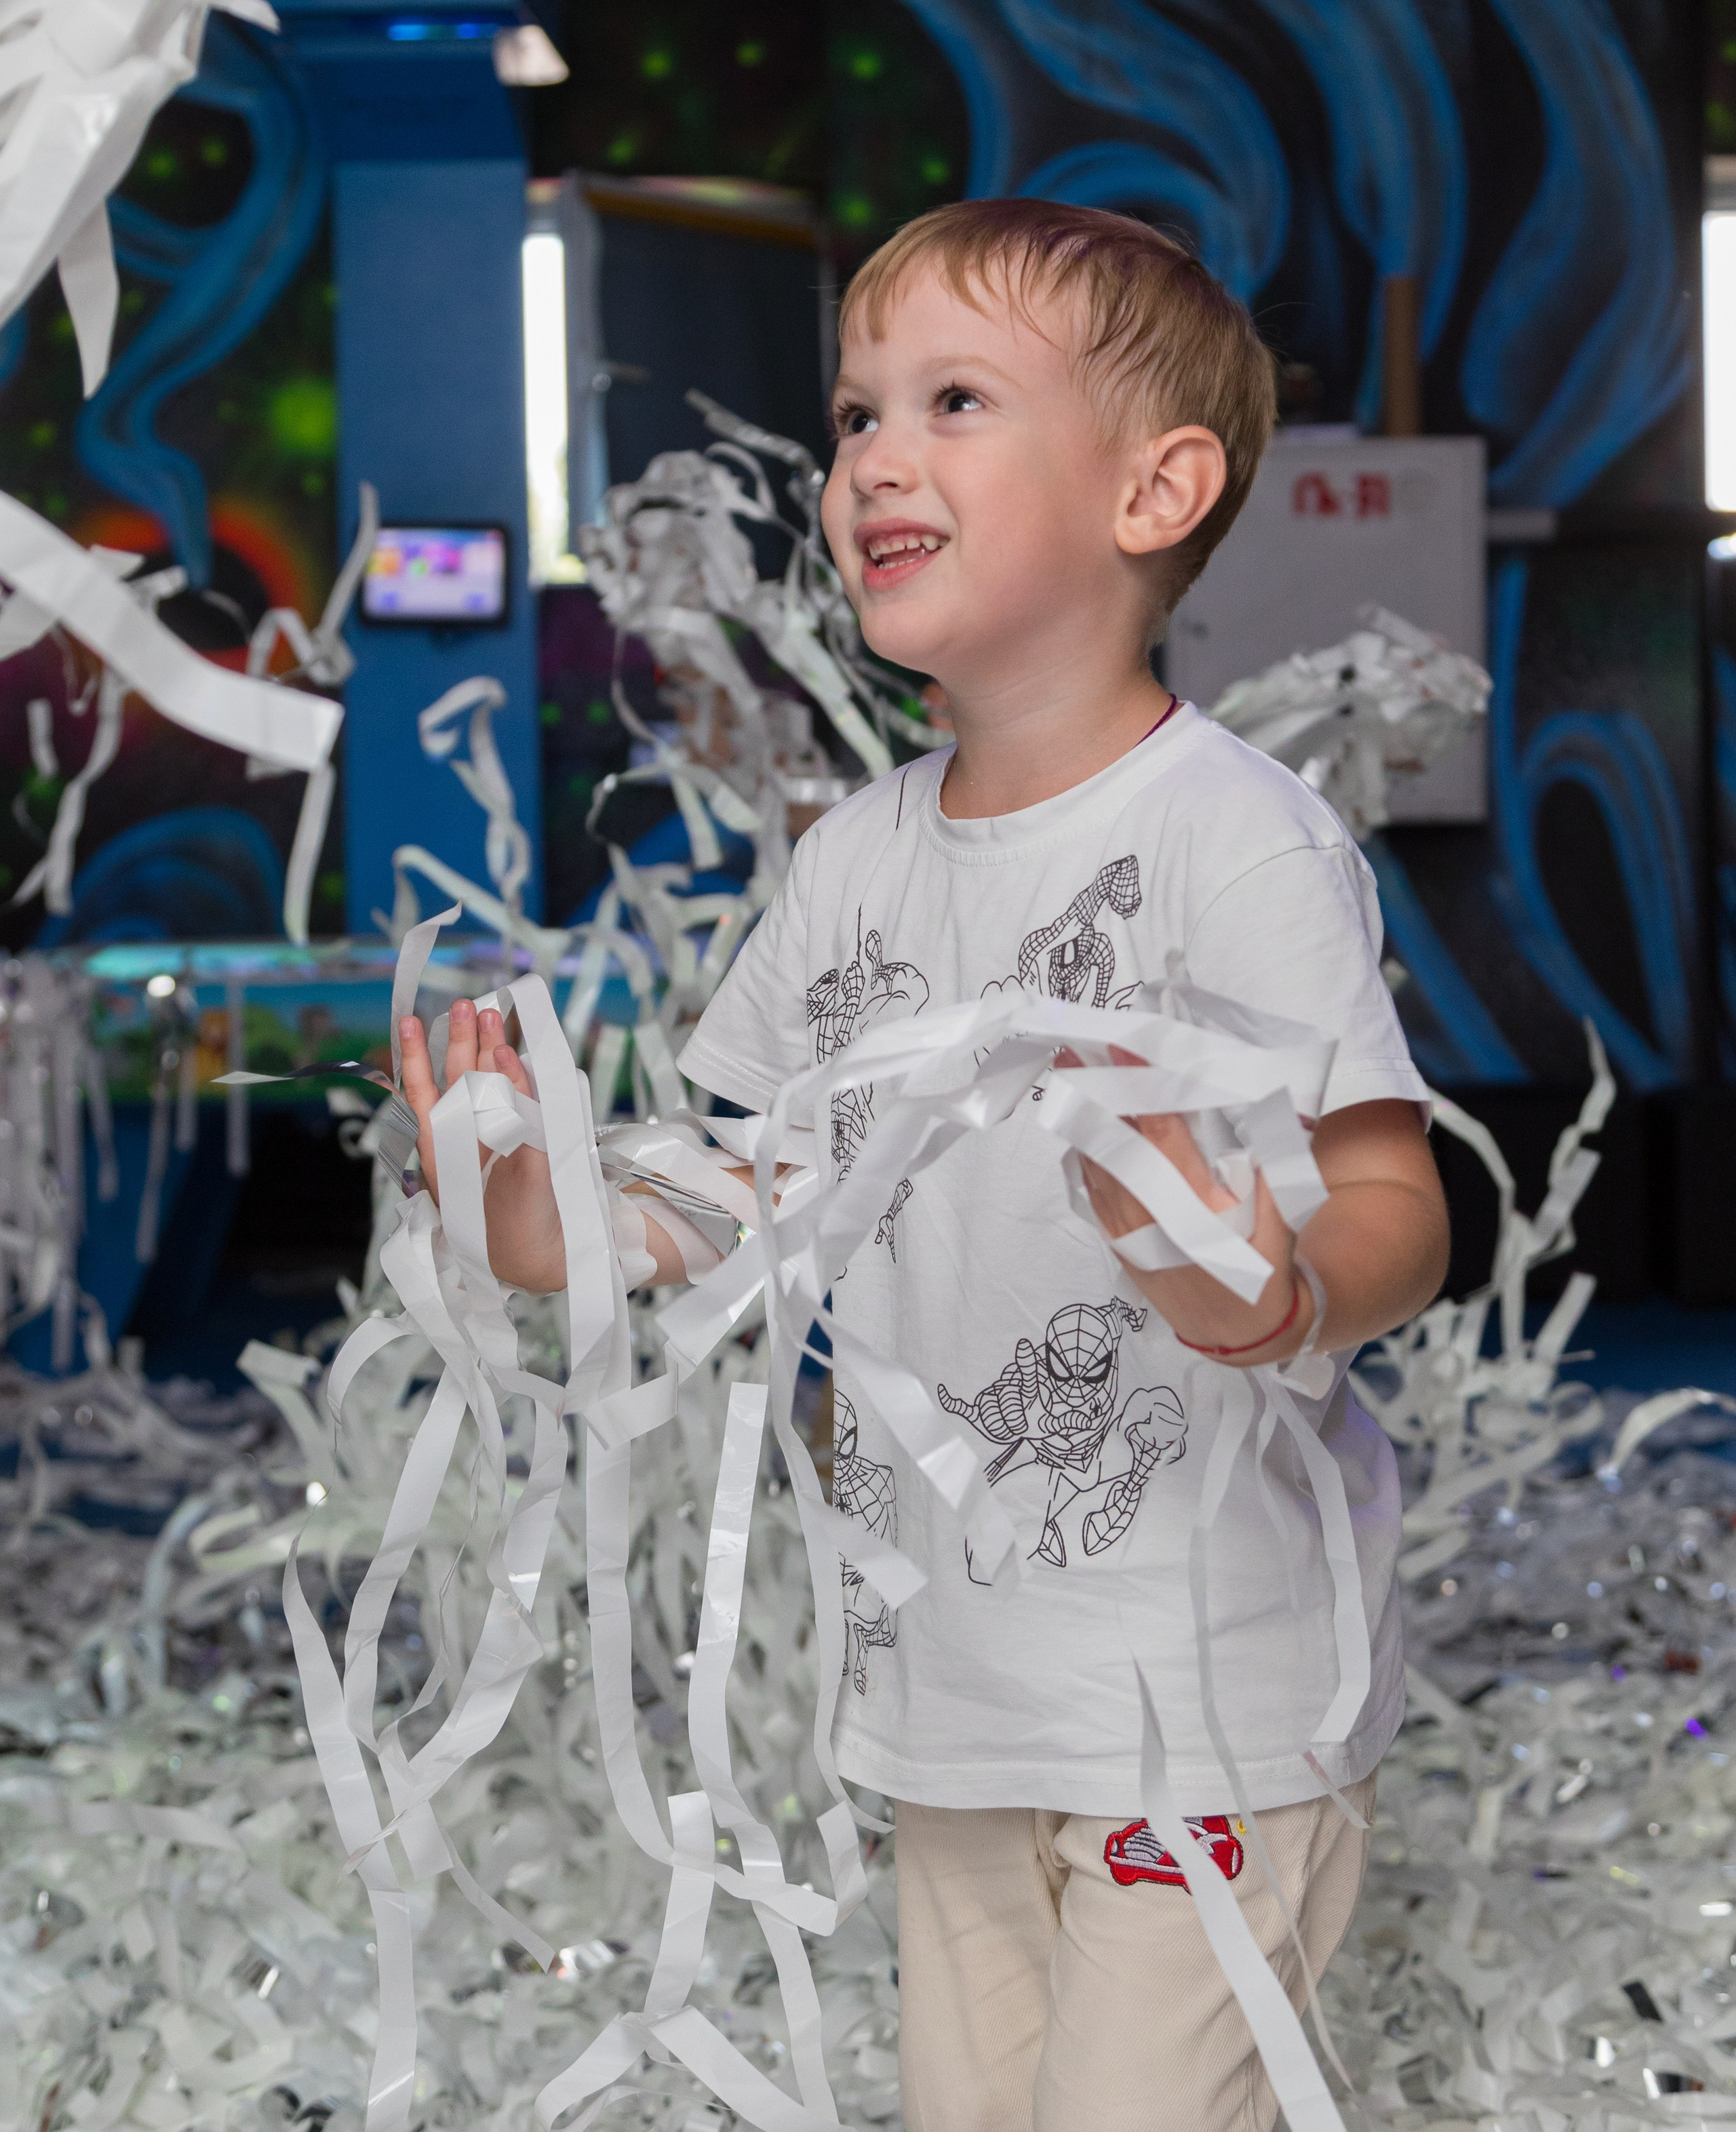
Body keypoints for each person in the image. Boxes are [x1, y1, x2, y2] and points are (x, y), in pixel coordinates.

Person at [399, 200, 1450, 2132]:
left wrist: (1278, 1287)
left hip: (1203, 1700)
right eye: (859, 410)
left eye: (954, 401)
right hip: (952, 1686)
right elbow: (759, 1179)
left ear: (1158, 490)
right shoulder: (855, 860)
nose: (873, 454)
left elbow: (1398, 1197)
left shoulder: (1240, 841)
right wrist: (541, 1218)